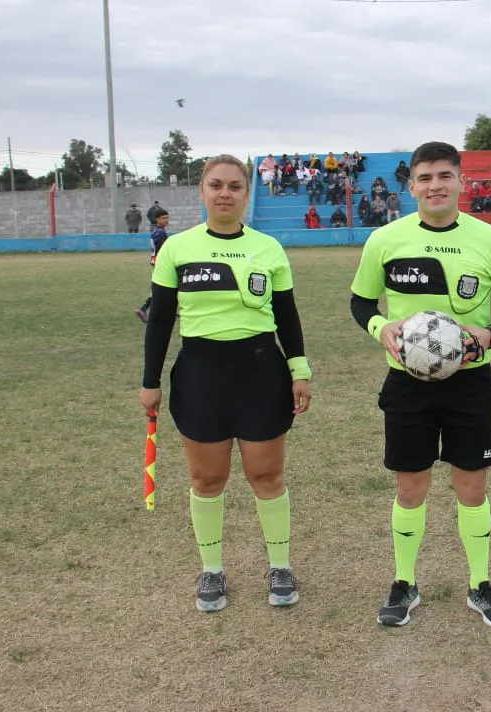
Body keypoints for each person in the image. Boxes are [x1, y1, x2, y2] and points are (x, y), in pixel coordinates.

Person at [349, 141, 491, 629]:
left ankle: (481, 585)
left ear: (460, 182)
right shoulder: (385, 240)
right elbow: (362, 303)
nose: (435, 186)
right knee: (411, 487)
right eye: (425, 178)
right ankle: (404, 583)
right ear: (411, 187)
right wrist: (379, 328)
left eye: (444, 176)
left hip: (471, 382)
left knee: (471, 488)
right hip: (407, 385)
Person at [138, 154, 313, 613]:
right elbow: (159, 322)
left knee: (267, 475)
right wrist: (149, 381)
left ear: (246, 194)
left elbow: (287, 318)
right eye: (216, 185)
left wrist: (299, 370)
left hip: (261, 372)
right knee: (207, 478)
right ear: (202, 190)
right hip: (200, 374)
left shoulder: (268, 249)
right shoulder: (176, 248)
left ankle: (280, 566)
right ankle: (212, 570)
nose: (225, 193)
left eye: (235, 186)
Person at [136, 208, 170, 323]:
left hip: (157, 261)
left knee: (166, 287)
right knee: (161, 288)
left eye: (167, 218)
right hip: (161, 263)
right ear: (157, 219)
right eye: (163, 218)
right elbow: (162, 250)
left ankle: (167, 310)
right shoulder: (160, 233)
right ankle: (143, 308)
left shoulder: (157, 231)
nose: (166, 220)